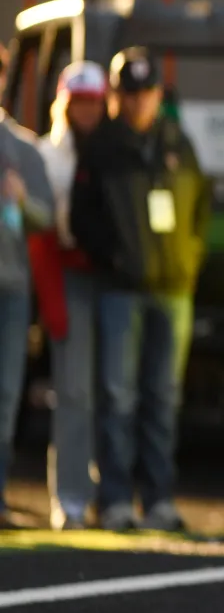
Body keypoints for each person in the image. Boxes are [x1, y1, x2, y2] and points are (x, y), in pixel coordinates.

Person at [70, 47, 210, 532]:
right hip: (121, 290)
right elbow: (80, 217)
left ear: (157, 95)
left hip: (172, 290)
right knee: (117, 395)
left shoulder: (177, 141)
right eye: (129, 94)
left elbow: (200, 210)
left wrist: (186, 263)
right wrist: (115, 257)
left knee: (163, 397)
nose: (138, 103)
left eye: (146, 93)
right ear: (117, 96)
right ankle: (114, 499)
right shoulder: (103, 146)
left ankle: (159, 498)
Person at [35, 61, 108, 529]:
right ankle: (72, 497)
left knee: (111, 392)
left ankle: (109, 492)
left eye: (92, 102)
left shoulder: (113, 148)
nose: (84, 110)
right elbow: (40, 235)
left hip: (110, 279)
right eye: (77, 101)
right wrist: (52, 302)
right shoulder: (45, 154)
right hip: (67, 275)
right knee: (75, 391)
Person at [0, 45, 55, 528]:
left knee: (5, 396)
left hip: (12, 289)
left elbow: (45, 218)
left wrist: (20, 199)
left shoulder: (22, 146)